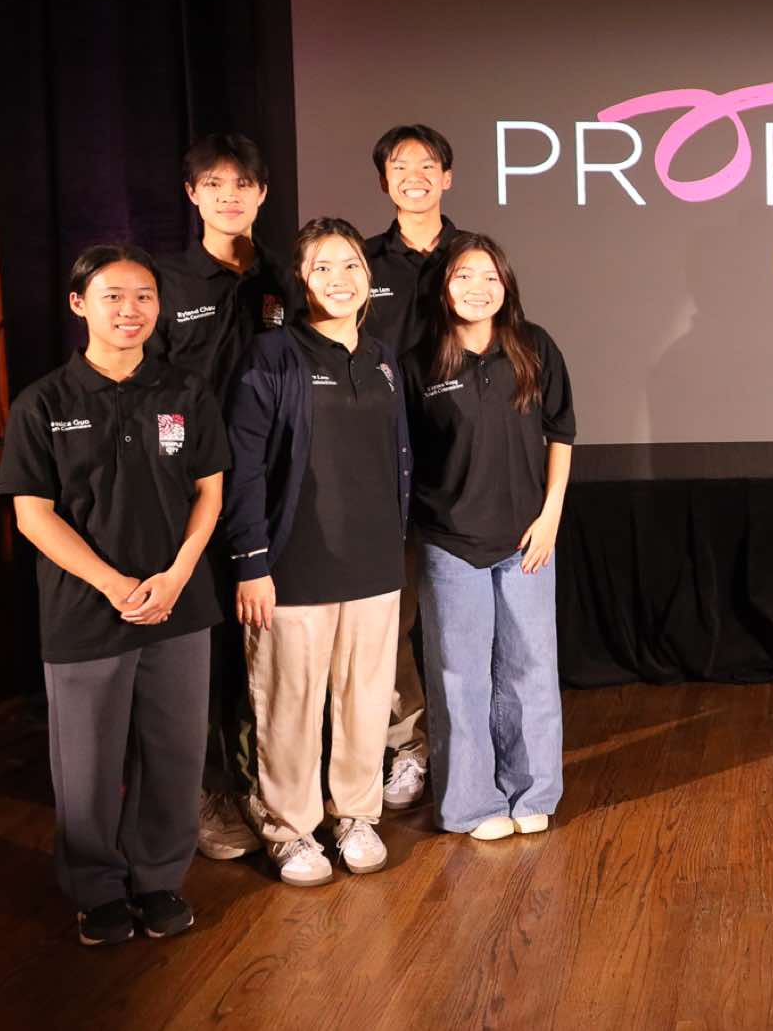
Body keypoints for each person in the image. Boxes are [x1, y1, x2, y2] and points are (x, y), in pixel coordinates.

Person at [0, 244, 229, 944]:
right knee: (87, 763)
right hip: (84, 610)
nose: (131, 310)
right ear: (79, 304)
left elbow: (209, 492)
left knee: (175, 755)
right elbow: (33, 515)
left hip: (179, 606)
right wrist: (114, 583)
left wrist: (178, 574)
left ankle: (159, 879)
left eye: (144, 296)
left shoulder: (186, 391)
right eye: (113, 296)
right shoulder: (44, 402)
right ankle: (96, 888)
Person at [224, 217, 411, 885]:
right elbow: (243, 466)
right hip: (293, 568)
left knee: (365, 703)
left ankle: (355, 814)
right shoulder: (272, 355)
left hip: (375, 565)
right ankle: (289, 827)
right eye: (323, 267)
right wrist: (251, 562)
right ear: (301, 281)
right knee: (289, 706)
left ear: (368, 277)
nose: (340, 278)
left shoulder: (383, 357)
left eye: (351, 264)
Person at [149, 132, 290, 865]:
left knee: (265, 649)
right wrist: (178, 469)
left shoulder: (285, 277)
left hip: (274, 490)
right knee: (201, 652)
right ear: (192, 194)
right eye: (213, 183)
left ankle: (267, 785)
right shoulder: (166, 281)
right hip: (193, 494)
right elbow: (151, 390)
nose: (228, 195)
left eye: (242, 184)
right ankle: (206, 791)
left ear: (262, 193)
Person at [405, 235, 576, 839]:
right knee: (460, 677)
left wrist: (551, 515)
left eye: (490, 278)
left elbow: (561, 433)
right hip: (450, 542)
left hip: (528, 537)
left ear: (507, 286)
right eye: (463, 276)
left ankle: (532, 793)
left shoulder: (534, 347)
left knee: (531, 669)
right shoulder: (419, 362)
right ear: (443, 287)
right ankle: (473, 805)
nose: (477, 289)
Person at [364, 124, 468, 811]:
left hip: (465, 459)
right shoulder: (363, 262)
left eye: (427, 164)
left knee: (462, 615)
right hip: (386, 463)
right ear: (385, 181)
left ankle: (471, 743)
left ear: (447, 177)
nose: (414, 175)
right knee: (393, 617)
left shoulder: (474, 255)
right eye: (400, 166)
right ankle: (408, 744)